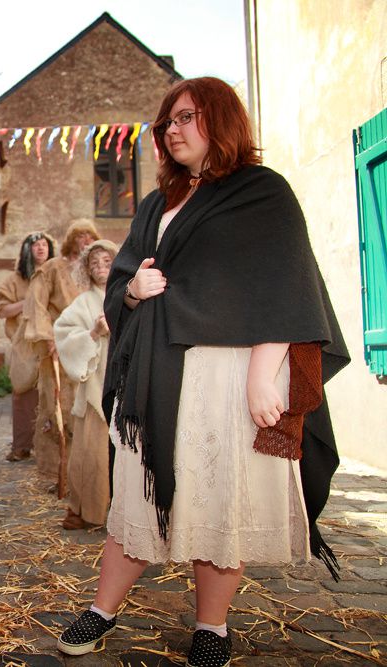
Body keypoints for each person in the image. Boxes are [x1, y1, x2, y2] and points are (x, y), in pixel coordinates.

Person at [56, 77, 348, 667]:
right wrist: (133, 291)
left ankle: (211, 627)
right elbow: (120, 283)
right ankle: (103, 609)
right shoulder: (156, 204)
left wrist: (264, 377)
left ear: (221, 120)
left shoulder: (263, 193)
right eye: (167, 122)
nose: (172, 130)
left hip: (230, 374)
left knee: (220, 501)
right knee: (138, 496)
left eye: (187, 117)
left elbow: (285, 293)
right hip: (162, 373)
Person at [22, 220, 101, 493]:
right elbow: (36, 305)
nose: (86, 240)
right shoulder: (52, 268)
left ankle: (83, 476)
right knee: (57, 410)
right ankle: (58, 475)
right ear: (71, 240)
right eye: (80, 236)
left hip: (88, 349)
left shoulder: (92, 270)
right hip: (57, 349)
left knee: (86, 409)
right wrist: (49, 337)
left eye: (90, 236)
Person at [53, 240, 118, 530]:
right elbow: (63, 332)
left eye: (107, 261)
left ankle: (124, 511)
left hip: (127, 381)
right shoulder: (84, 303)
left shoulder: (130, 294)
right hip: (96, 386)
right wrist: (93, 332)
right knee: (91, 449)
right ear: (87, 271)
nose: (101, 268)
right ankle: (86, 510)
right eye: (94, 264)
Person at [0, 232, 56, 462]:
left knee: (51, 392)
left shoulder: (57, 275)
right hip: (23, 344)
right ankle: (22, 446)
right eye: (36, 245)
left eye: (45, 245)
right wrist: (28, 302)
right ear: (27, 250)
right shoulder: (14, 280)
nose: (41, 249)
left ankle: (48, 447)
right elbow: (2, 310)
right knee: (22, 393)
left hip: (50, 340)